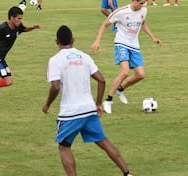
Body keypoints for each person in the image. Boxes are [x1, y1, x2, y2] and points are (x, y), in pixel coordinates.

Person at [43, 25, 133, 176]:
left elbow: (55, 86)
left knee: (64, 146)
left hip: (70, 113)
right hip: (89, 109)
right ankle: (127, 173)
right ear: (73, 40)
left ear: (56, 41)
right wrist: (98, 104)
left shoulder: (55, 60)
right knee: (103, 141)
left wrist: (47, 104)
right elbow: (102, 80)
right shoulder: (85, 57)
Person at [91, 0, 162, 114]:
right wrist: (97, 41)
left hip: (134, 45)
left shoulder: (143, 10)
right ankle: (108, 100)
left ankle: (120, 89)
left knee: (141, 75)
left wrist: (153, 38)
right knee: (125, 72)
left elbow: (143, 23)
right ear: (134, 0)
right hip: (121, 43)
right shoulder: (121, 12)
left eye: (144, 4)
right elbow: (105, 24)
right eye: (141, 3)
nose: (142, 6)